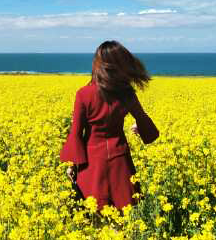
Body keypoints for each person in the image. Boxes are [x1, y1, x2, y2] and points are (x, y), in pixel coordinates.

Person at [60, 40, 159, 212]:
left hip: (91, 165)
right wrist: (139, 127)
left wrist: (71, 165)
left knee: (94, 216)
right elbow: (145, 124)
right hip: (121, 162)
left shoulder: (84, 94)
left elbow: (75, 133)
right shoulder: (127, 93)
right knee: (123, 215)